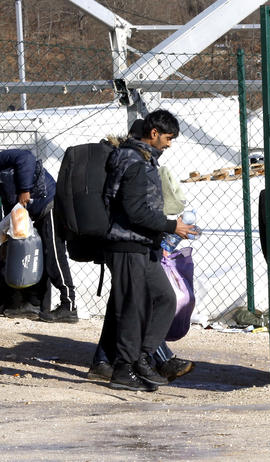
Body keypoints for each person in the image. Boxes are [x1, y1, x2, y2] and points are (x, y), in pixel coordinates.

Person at [87, 118, 195, 385]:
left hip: (143, 245)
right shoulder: (134, 162)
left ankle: (143, 357)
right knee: (131, 309)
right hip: (127, 245)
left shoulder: (144, 160)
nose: (169, 145)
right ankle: (124, 369)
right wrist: (172, 226)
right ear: (154, 133)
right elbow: (135, 212)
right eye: (168, 138)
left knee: (165, 298)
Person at [0, 149, 77, 323]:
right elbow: (7, 201)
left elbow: (26, 157)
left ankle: (69, 305)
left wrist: (24, 190)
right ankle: (34, 304)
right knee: (36, 255)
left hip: (48, 204)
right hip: (30, 212)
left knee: (54, 254)